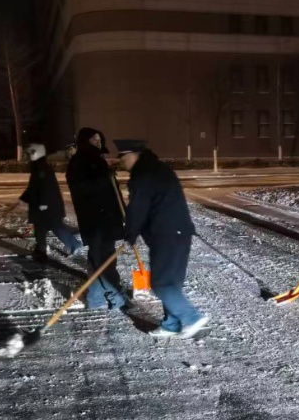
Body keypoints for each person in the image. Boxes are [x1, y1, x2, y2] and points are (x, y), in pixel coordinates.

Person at [114, 139, 209, 339]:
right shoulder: (158, 168)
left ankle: (192, 318)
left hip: (166, 234)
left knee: (161, 284)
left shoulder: (143, 174)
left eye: (123, 156)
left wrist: (130, 234)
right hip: (179, 232)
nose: (121, 161)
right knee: (172, 282)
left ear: (135, 155)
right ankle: (171, 324)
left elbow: (138, 207)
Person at [66, 127, 128, 311]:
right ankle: (112, 297)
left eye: (99, 139)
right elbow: (83, 188)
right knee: (102, 260)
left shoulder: (97, 160)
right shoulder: (80, 161)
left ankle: (97, 298)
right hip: (96, 220)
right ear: (85, 141)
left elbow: (111, 192)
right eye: (93, 139)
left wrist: (122, 212)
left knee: (101, 259)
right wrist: (104, 177)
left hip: (105, 218)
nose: (97, 142)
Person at [20, 143, 82, 259]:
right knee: (39, 227)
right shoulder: (38, 167)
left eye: (28, 154)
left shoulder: (42, 169)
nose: (27, 157)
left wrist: (44, 204)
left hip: (47, 206)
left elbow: (46, 188)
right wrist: (24, 197)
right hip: (42, 205)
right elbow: (33, 187)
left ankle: (75, 245)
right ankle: (41, 249)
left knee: (56, 227)